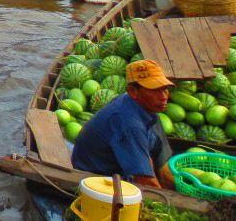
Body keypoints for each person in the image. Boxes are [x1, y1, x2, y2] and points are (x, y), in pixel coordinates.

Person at [71, 60, 175, 188]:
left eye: (165, 89)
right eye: (154, 90)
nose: (163, 97)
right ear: (133, 91)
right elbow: (146, 182)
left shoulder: (141, 105)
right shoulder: (130, 124)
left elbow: (150, 154)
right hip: (99, 179)